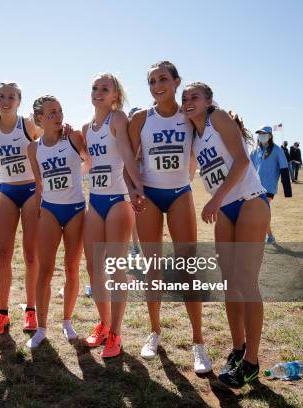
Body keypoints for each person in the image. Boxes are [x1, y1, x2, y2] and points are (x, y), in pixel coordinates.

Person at [182, 82, 270, 388]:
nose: (188, 100)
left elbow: (243, 161)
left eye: (195, 96)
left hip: (248, 202)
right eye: (185, 97)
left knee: (246, 282)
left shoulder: (216, 118)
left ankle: (252, 362)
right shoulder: (192, 136)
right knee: (230, 283)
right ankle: (237, 350)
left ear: (208, 101)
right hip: (225, 211)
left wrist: (216, 199)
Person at [128, 61, 211, 373]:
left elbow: (215, 132)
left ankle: (199, 343)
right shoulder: (140, 118)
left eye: (163, 79)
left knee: (188, 268)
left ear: (177, 82)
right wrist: (134, 189)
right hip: (149, 195)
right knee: (153, 267)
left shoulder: (189, 115)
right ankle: (155, 331)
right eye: (151, 81)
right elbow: (127, 160)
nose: (157, 85)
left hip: (180, 194)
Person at [82, 73, 144, 358]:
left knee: (116, 268)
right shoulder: (86, 127)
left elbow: (128, 156)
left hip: (118, 200)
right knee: (94, 267)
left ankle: (116, 334)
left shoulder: (117, 119)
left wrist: (137, 186)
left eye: (104, 89)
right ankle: (104, 324)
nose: (98, 92)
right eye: (95, 87)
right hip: (94, 201)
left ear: (115, 96)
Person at [26, 95, 90, 349]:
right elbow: (39, 182)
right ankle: (41, 328)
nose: (58, 116)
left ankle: (66, 321)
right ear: (39, 119)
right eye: (51, 113)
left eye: (60, 111)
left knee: (72, 267)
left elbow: (90, 160)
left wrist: (81, 156)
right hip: (50, 210)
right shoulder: (34, 148)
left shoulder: (73, 138)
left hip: (75, 209)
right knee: (45, 269)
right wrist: (38, 208)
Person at [0, 83, 41, 335]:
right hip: (6, 190)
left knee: (30, 254)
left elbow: (49, 137)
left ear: (19, 101)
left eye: (11, 97)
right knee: (3, 253)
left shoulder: (27, 124)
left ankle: (31, 310)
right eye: (1, 96)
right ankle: (2, 313)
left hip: (30, 191)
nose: (6, 101)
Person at [250, 127, 292, 243]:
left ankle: (264, 236)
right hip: (255, 187)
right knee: (260, 211)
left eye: (264, 134)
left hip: (269, 187)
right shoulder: (255, 152)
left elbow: (284, 168)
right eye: (259, 134)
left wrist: (287, 190)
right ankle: (270, 236)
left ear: (270, 136)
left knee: (260, 211)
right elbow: (248, 168)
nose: (261, 136)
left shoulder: (277, 150)